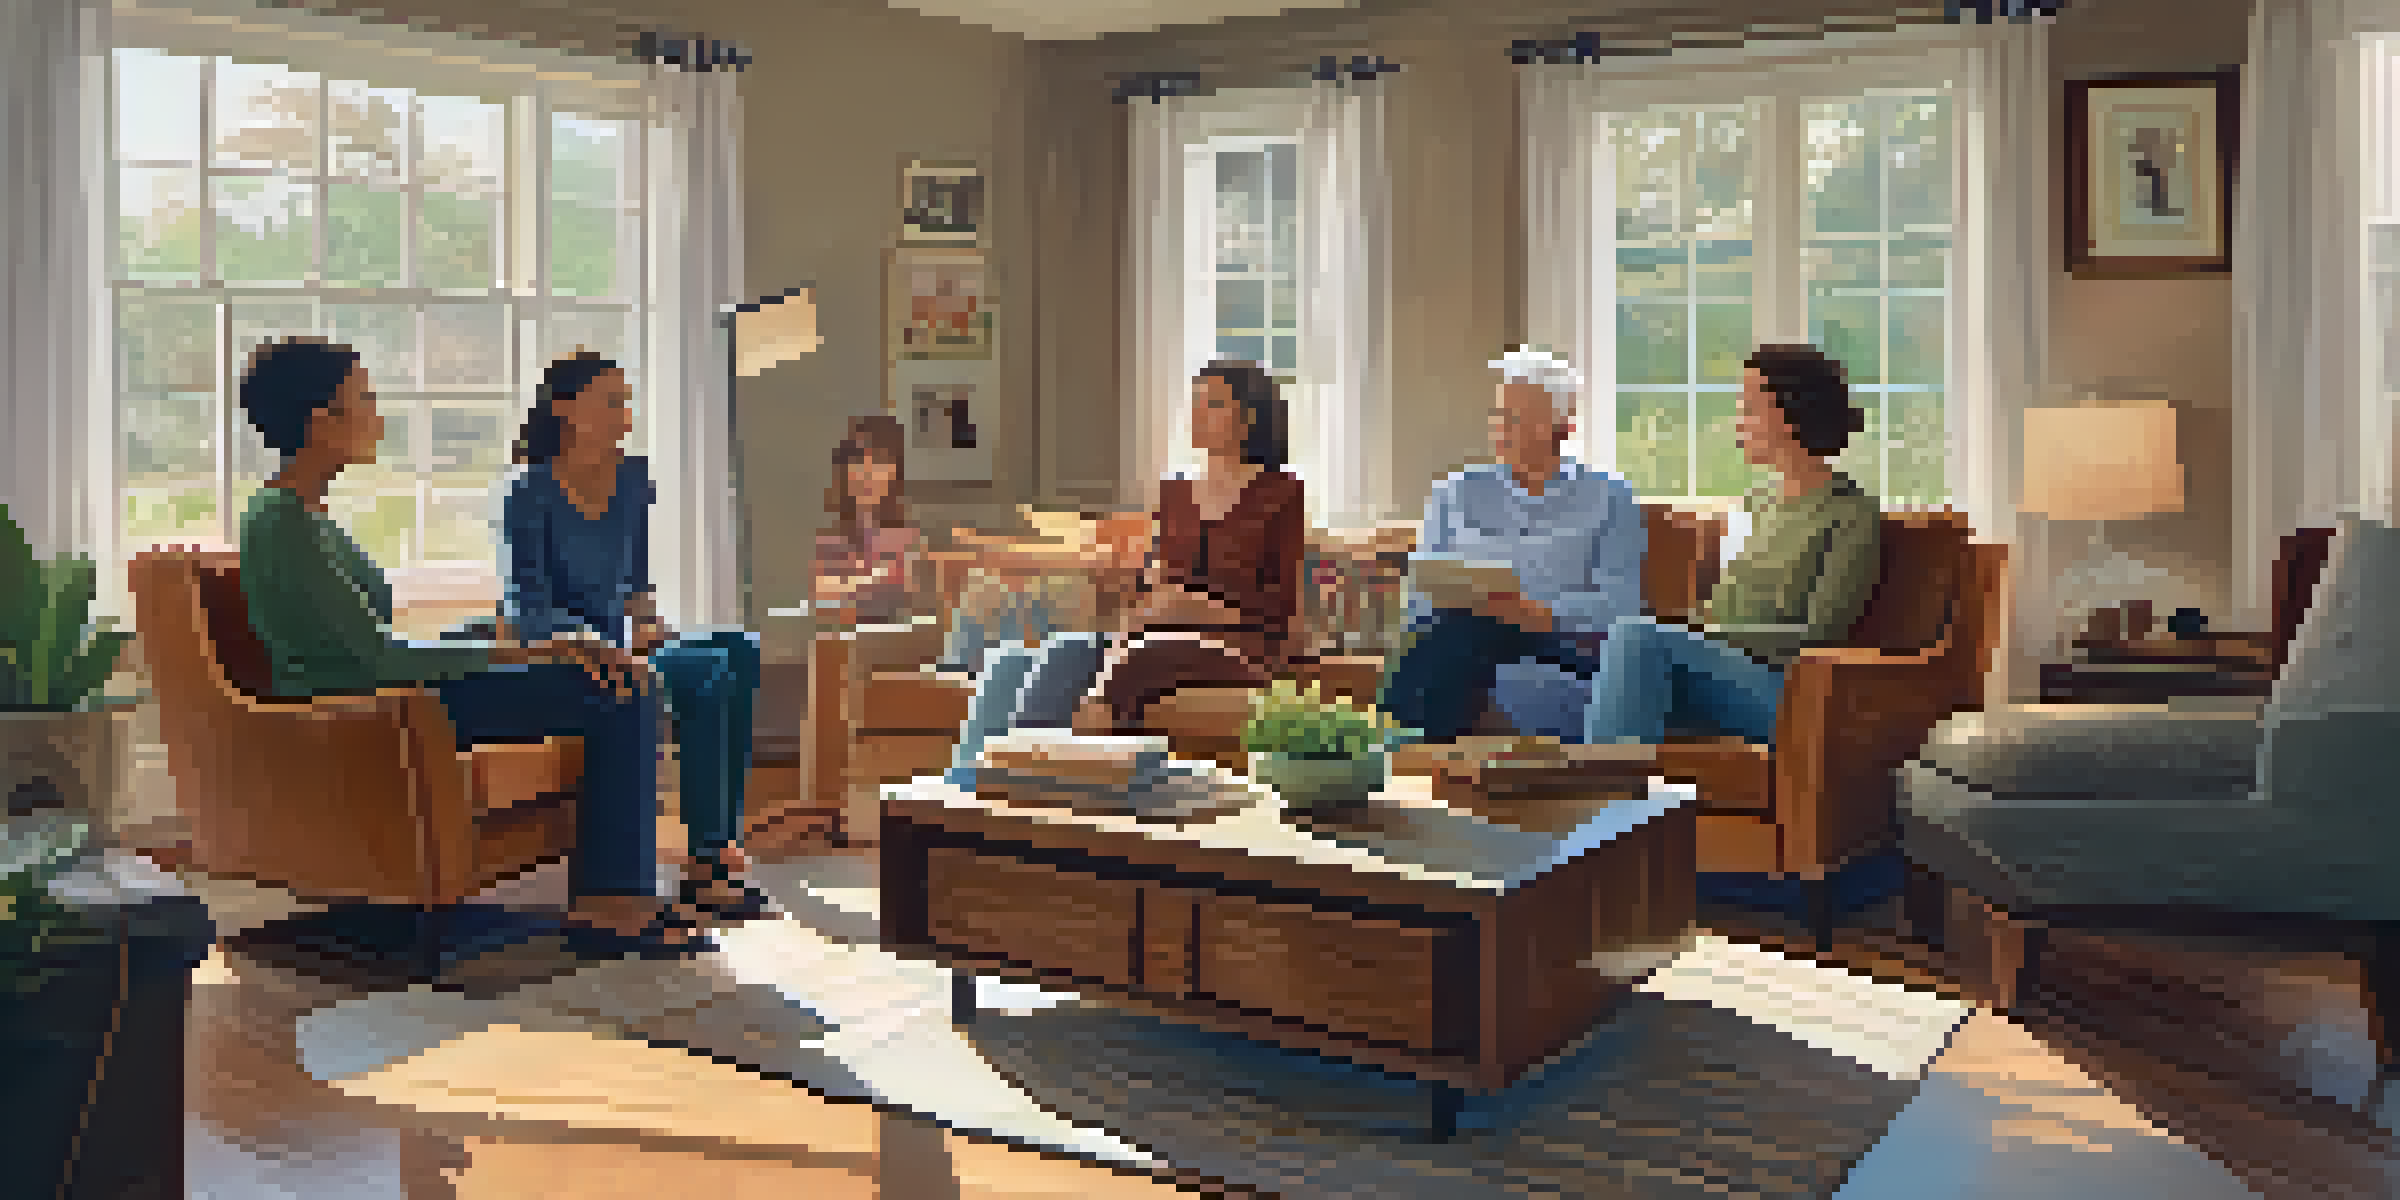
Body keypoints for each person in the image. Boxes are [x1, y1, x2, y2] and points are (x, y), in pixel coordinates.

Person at [233, 337, 706, 959]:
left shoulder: (305, 514)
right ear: (323, 420)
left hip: (388, 696)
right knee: (619, 690)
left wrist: (485, 634)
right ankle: (614, 901)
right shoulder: (283, 522)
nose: (378, 414)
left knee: (602, 674)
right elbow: (374, 662)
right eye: (365, 398)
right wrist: (510, 653)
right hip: (365, 713)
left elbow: (366, 643)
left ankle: (615, 891)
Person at [499, 351, 768, 924]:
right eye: (611, 402)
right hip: (565, 658)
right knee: (706, 670)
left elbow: (637, 585)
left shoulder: (631, 480)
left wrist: (649, 625)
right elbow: (527, 611)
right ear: (566, 410)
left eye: (626, 403)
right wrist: (590, 641)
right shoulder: (529, 490)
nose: (625, 416)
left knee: (738, 648)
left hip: (622, 651)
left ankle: (718, 847)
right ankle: (707, 861)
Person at [944, 361, 1306, 777]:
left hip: (1242, 644)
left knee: (1139, 658)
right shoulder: (1176, 492)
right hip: (1159, 631)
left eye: (1214, 403)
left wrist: (1196, 608)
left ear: (1250, 417)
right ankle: (970, 783)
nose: (1197, 413)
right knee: (1055, 652)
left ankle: (1038, 778)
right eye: (1196, 401)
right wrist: (1142, 598)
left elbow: (1281, 610)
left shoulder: (1281, 494)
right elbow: (1156, 583)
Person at [1581, 343, 1882, 746]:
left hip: (1785, 692)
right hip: (1721, 671)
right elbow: (1726, 606)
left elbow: (1818, 636)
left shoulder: (1851, 514)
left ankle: (1604, 783)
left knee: (1635, 636)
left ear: (1792, 414)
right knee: (1546, 687)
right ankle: (1599, 774)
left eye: (1749, 408)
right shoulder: (1756, 502)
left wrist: (1710, 632)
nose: (1738, 422)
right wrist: (1697, 625)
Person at [1377, 348, 1647, 742]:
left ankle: (1393, 750)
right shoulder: (1456, 493)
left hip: (1563, 642)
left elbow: (1621, 604)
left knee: (1456, 639)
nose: (1500, 428)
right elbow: (1420, 593)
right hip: (1465, 632)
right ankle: (1414, 754)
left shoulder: (1611, 497)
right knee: (1456, 631)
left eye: (1517, 419)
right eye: (1498, 415)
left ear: (1562, 428)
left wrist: (1538, 613)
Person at [812, 415, 929, 626]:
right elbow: (826, 608)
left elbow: (914, 608)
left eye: (878, 461)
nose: (867, 472)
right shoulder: (832, 541)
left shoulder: (911, 541)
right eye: (858, 460)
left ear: (895, 471)